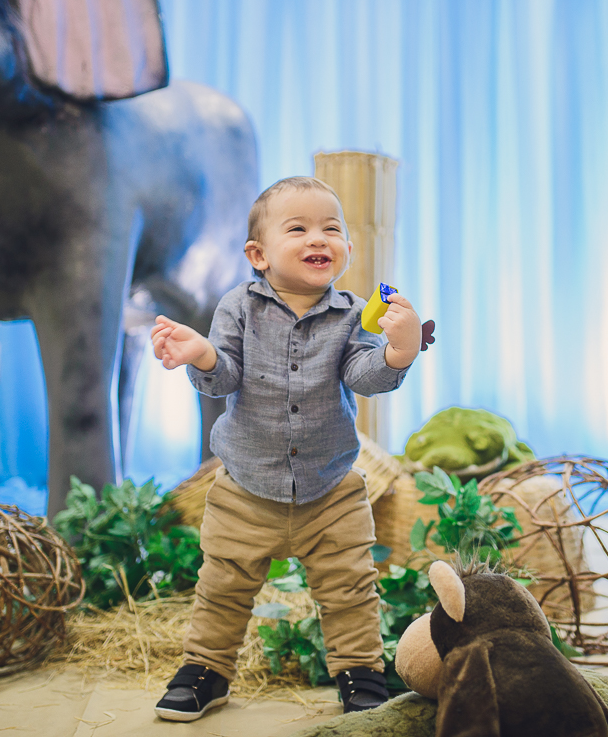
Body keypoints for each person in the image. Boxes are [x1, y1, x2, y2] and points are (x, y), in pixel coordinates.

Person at [149, 176, 421, 721]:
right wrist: (202, 354)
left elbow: (363, 376)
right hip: (245, 488)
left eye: (332, 228)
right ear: (259, 255)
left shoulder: (354, 315)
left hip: (331, 489)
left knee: (350, 590)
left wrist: (400, 350)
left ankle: (361, 672)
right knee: (222, 586)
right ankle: (207, 669)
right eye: (297, 228)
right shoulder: (238, 307)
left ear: (347, 249)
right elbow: (223, 378)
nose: (318, 237)